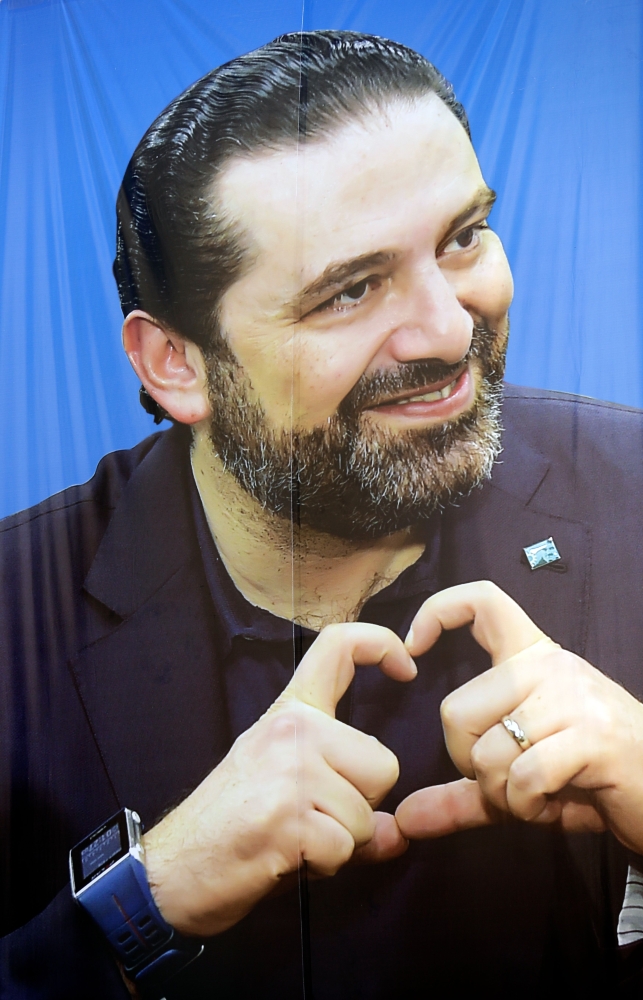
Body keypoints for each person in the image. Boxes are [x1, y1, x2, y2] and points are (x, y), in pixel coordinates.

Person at [2, 28, 643, 999]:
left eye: (462, 237)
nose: (449, 329)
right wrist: (146, 900)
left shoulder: (629, 490)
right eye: (349, 289)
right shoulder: (17, 622)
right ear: (177, 363)